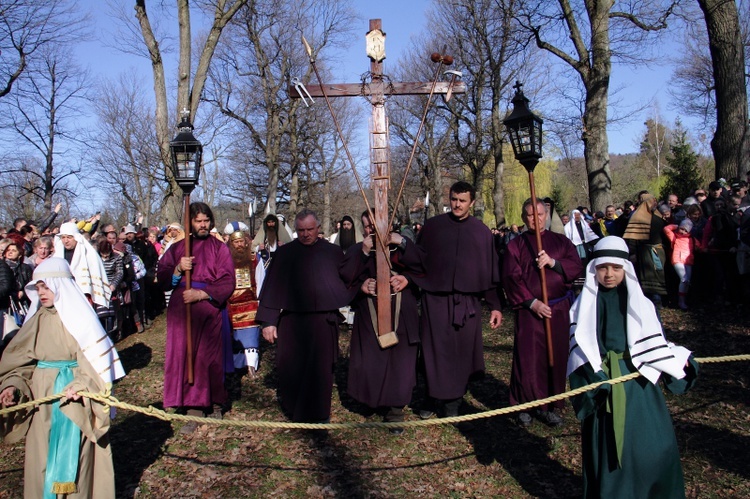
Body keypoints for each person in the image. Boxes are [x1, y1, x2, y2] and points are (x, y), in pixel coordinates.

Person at [567, 236, 698, 498]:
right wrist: (595, 379)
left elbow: (651, 341)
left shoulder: (640, 303)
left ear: (626, 269)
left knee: (653, 446)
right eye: (603, 268)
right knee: (610, 453)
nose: (609, 274)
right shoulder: (583, 306)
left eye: (616, 268)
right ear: (594, 269)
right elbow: (578, 351)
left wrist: (677, 359)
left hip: (637, 383)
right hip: (603, 383)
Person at [0, 257, 125, 498]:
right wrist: (12, 386)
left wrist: (81, 384)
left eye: (46, 286)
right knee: (42, 455)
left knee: (78, 459)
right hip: (42, 402)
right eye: (37, 287)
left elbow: (95, 367)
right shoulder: (36, 320)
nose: (41, 292)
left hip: (73, 401)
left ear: (61, 286)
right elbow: (22, 366)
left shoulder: (82, 320)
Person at [402, 181, 503, 418]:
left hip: (467, 304)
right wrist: (409, 280)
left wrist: (495, 305)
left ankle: (453, 403)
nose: (457, 205)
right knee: (432, 350)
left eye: (462, 201)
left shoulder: (481, 232)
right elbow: (419, 261)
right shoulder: (433, 227)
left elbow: (489, 272)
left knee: (461, 354)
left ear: (472, 203)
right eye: (454, 199)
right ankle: (430, 397)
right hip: (435, 302)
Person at [257, 209, 352, 423]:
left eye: (310, 229)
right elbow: (272, 289)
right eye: (301, 230)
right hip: (292, 321)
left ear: (318, 228)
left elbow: (348, 281)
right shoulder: (285, 254)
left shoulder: (332, 253)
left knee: (321, 370)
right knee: (292, 366)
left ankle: (319, 415)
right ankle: (296, 411)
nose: (306, 234)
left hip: (323, 322)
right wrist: (269, 321)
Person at [503, 198, 583, 427]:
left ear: (546, 215)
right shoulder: (515, 246)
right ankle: (524, 404)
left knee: (555, 357)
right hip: (530, 312)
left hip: (558, 310)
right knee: (528, 359)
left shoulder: (561, 242)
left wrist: (553, 263)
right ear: (523, 217)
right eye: (529, 215)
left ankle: (549, 405)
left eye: (539, 214)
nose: (535, 219)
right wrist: (531, 302)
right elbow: (511, 277)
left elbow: (575, 266)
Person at [157, 202, 236, 431]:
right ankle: (193, 407)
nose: (203, 225)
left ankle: (215, 403)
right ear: (189, 223)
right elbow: (162, 280)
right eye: (198, 221)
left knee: (209, 357)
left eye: (206, 220)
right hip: (182, 312)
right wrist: (178, 270)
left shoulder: (219, 248)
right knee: (186, 356)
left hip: (209, 308)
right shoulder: (178, 248)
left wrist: (202, 293)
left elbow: (228, 280)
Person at [339, 210, 420, 430]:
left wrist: (407, 278)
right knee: (373, 361)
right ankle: (373, 400)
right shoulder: (359, 250)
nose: (371, 231)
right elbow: (346, 279)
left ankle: (395, 411)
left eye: (375, 226)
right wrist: (362, 285)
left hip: (401, 313)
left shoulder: (401, 247)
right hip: (370, 315)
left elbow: (425, 268)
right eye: (367, 226)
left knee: (399, 363)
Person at [224, 222, 265, 378]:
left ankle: (251, 366)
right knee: (234, 337)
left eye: (242, 241)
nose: (239, 244)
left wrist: (260, 301)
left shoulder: (255, 258)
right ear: (231, 243)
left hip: (251, 304)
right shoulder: (225, 259)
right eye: (236, 241)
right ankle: (236, 365)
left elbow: (260, 280)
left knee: (250, 337)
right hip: (231, 304)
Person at [622, 193, 668, 310]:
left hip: (658, 250)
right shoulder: (638, 218)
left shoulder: (658, 216)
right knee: (648, 277)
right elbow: (632, 238)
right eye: (653, 201)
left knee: (659, 275)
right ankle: (651, 302)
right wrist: (632, 253)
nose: (655, 204)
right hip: (645, 253)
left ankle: (660, 300)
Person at [53, 222, 111, 309]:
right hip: (63, 295)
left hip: (83, 295)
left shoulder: (88, 253)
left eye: (69, 237)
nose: (66, 241)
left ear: (76, 237)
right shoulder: (57, 254)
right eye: (63, 237)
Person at [663, 219, 701, 310]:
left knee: (687, 281)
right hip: (677, 259)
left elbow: (699, 247)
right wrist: (677, 226)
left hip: (688, 261)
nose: (683, 232)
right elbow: (666, 229)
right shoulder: (674, 236)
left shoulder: (692, 239)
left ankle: (684, 299)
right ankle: (681, 301)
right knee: (684, 279)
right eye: (682, 229)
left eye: (686, 230)